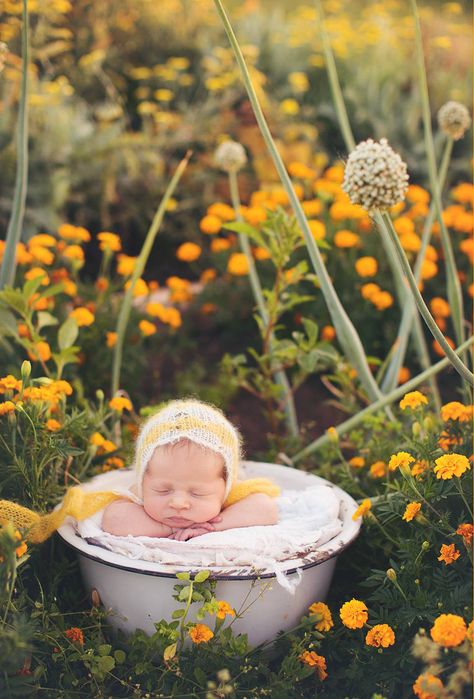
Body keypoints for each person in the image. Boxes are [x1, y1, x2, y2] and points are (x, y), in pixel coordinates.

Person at [101, 399, 280, 541]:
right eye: (163, 490)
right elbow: (114, 520)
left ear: (225, 485)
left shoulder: (230, 495)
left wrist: (213, 526)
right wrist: (169, 529)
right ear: (143, 481)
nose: (178, 503)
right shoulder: (139, 494)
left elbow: (266, 509)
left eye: (197, 493)